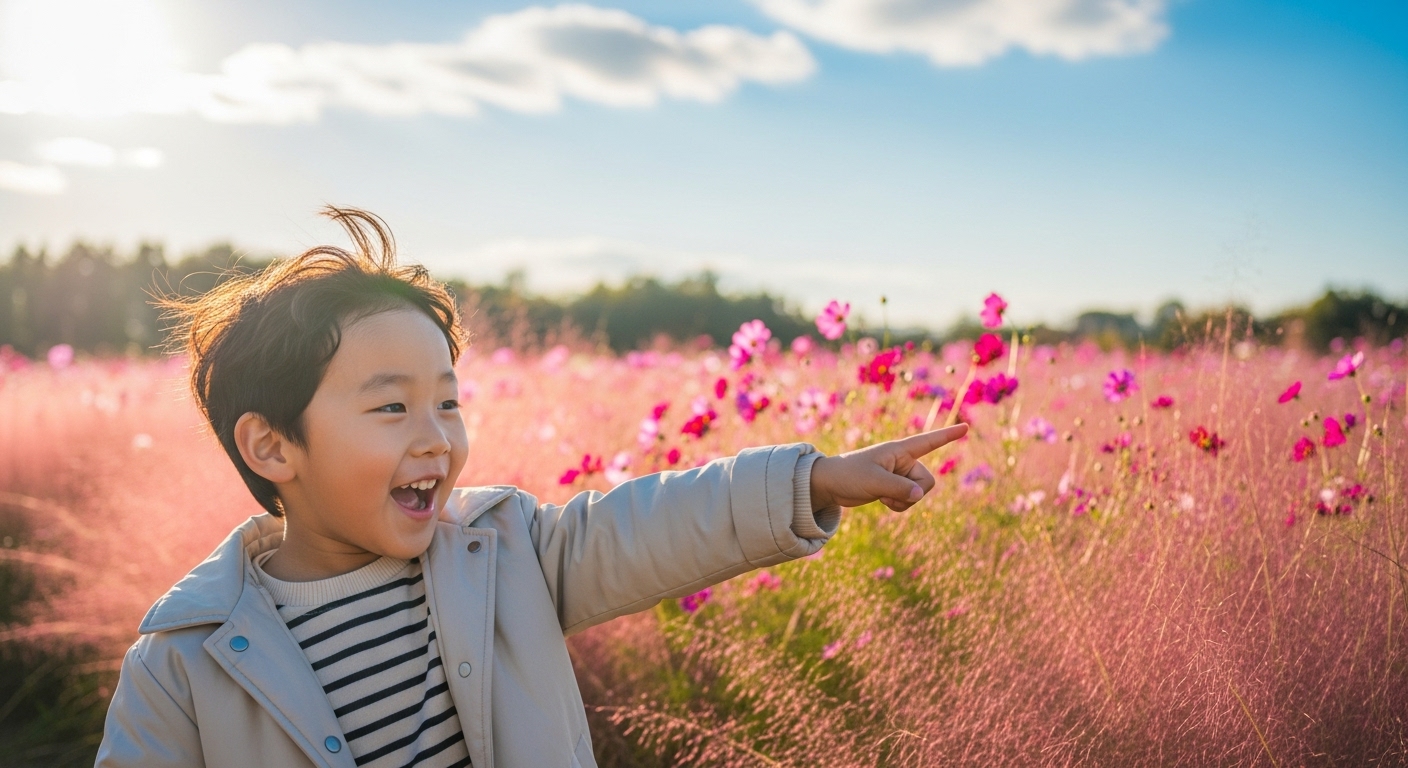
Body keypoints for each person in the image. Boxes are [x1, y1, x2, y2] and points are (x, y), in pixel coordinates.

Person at [94, 207, 967, 768]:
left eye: (448, 401)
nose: (437, 437)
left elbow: (651, 524)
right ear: (273, 446)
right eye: (391, 406)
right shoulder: (182, 663)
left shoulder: (506, 554)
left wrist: (810, 478)